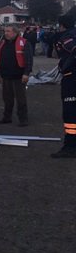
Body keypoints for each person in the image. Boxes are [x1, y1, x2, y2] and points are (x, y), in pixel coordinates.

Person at [0, 25, 34, 127]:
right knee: (7, 99)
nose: (6, 33)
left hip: (19, 76)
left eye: (8, 31)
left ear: (15, 32)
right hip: (6, 76)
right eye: (5, 31)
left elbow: (28, 59)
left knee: (21, 99)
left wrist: (26, 73)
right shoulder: (3, 44)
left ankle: (23, 119)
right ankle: (7, 117)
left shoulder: (24, 43)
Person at [51, 15, 76, 158]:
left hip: (72, 79)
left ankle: (71, 146)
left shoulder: (67, 37)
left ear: (62, 25)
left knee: (70, 114)